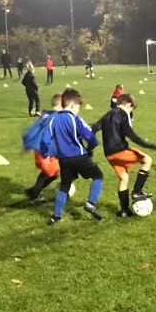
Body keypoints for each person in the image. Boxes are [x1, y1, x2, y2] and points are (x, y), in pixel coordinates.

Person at [92, 94, 156, 217]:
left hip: (109, 155)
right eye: (131, 109)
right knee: (147, 160)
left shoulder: (108, 114)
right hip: (120, 151)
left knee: (124, 178)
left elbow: (94, 127)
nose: (131, 113)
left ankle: (124, 211)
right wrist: (147, 145)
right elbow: (131, 135)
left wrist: (88, 146)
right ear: (128, 105)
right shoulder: (122, 114)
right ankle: (137, 191)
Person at [47, 88, 104, 224]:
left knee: (65, 185)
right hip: (79, 157)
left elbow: (46, 140)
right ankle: (91, 202)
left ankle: (56, 216)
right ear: (72, 105)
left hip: (64, 160)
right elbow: (91, 138)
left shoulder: (52, 120)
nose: (78, 110)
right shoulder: (75, 119)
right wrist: (90, 149)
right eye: (78, 107)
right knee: (98, 176)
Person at [23, 93, 63, 200]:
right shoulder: (55, 118)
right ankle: (34, 192)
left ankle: (34, 191)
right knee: (50, 172)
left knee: (52, 173)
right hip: (45, 150)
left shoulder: (46, 115)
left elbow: (33, 129)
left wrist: (27, 143)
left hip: (43, 150)